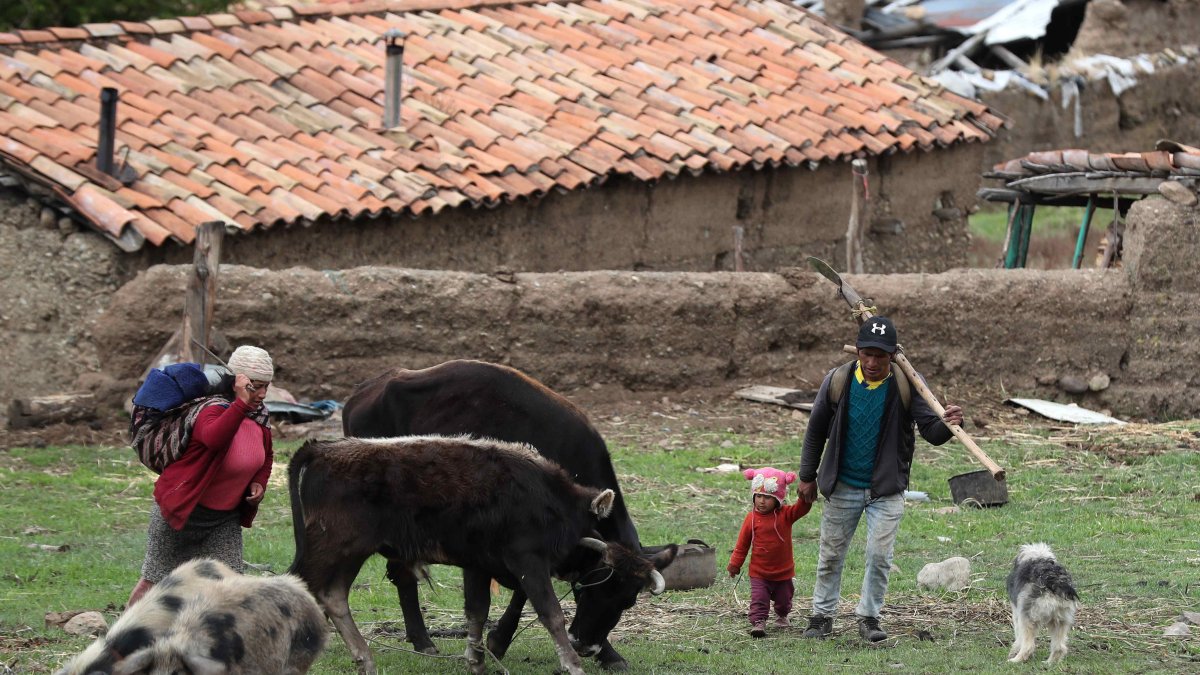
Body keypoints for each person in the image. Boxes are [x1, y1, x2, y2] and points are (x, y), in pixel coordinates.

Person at [797, 316, 962, 642]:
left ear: (893, 356)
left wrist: (950, 423)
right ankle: (821, 616)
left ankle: (869, 618)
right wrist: (807, 477)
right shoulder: (839, 380)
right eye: (867, 354)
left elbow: (932, 432)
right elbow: (815, 431)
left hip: (885, 490)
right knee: (830, 555)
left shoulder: (907, 383)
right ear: (857, 352)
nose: (872, 363)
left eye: (881, 356)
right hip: (842, 485)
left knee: (879, 556)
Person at [126, 345, 275, 607]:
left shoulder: (258, 417)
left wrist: (259, 481)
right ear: (237, 382)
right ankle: (122, 640)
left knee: (230, 587)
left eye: (266, 386)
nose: (262, 394)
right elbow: (215, 438)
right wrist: (240, 402)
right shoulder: (210, 410)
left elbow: (267, 454)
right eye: (256, 386)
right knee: (155, 582)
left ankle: (216, 644)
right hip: (182, 513)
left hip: (223, 520)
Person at [727, 467, 812, 637]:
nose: (762, 501)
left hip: (783, 571)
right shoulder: (751, 519)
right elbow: (742, 545)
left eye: (767, 497)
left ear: (778, 499)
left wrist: (804, 498)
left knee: (784, 599)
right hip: (759, 571)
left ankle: (782, 616)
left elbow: (801, 509)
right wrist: (734, 565)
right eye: (758, 496)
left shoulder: (786, 515)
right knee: (759, 599)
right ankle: (759, 622)